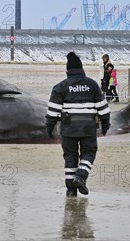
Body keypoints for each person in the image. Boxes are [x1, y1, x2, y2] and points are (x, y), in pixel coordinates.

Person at [46, 52, 111, 196]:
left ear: (67, 71)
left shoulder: (60, 87)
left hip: (68, 128)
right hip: (88, 127)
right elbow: (103, 107)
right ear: (82, 69)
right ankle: (81, 176)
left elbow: (52, 111)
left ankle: (70, 190)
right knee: (89, 153)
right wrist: (105, 124)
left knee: (70, 156)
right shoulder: (92, 84)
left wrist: (49, 128)